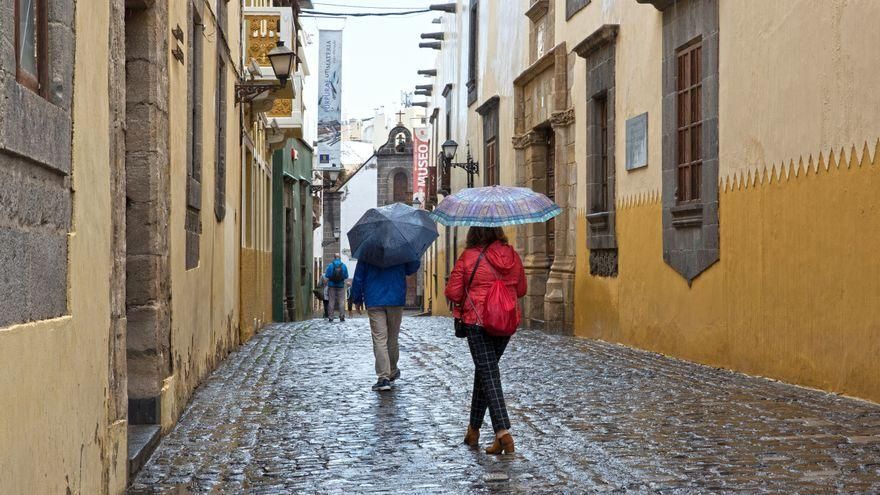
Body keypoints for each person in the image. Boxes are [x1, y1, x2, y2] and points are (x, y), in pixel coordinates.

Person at [445, 226, 526, 455]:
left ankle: (503, 433)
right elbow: (521, 289)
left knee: (488, 373)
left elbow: (453, 293)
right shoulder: (511, 255)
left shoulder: (469, 257)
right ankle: (473, 430)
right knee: (485, 371)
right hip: (505, 322)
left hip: (477, 321)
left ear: (474, 233)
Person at [349, 259, 420, 392]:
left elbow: (359, 276)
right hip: (396, 297)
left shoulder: (368, 249)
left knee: (379, 339)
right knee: (392, 338)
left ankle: (383, 378)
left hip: (374, 298)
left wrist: (357, 298)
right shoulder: (400, 248)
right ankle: (392, 371)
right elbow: (412, 268)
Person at [324, 254, 349, 322]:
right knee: (341, 301)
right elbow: (346, 276)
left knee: (331, 301)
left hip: (332, 286)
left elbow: (327, 275)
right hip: (340, 286)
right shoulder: (343, 266)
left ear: (334, 257)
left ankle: (331, 317)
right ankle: (342, 316)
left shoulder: (330, 265)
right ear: (340, 258)